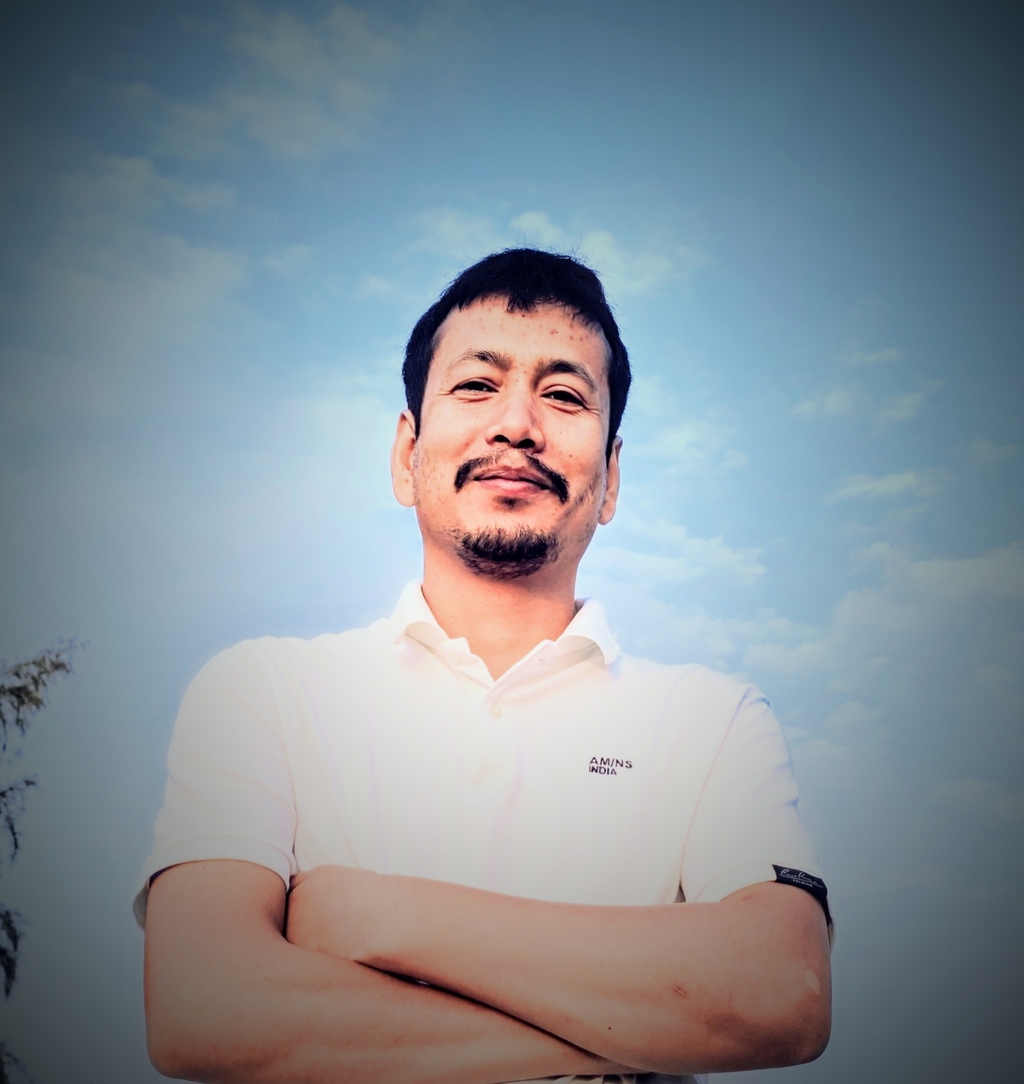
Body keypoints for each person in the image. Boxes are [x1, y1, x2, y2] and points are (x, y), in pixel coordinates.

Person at [136, 248, 832, 1084]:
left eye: (565, 396)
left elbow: (781, 991)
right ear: (407, 453)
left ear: (611, 479)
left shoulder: (713, 722)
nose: (517, 425)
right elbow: (204, 1010)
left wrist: (378, 915)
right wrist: (643, 1023)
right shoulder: (263, 695)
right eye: (476, 385)